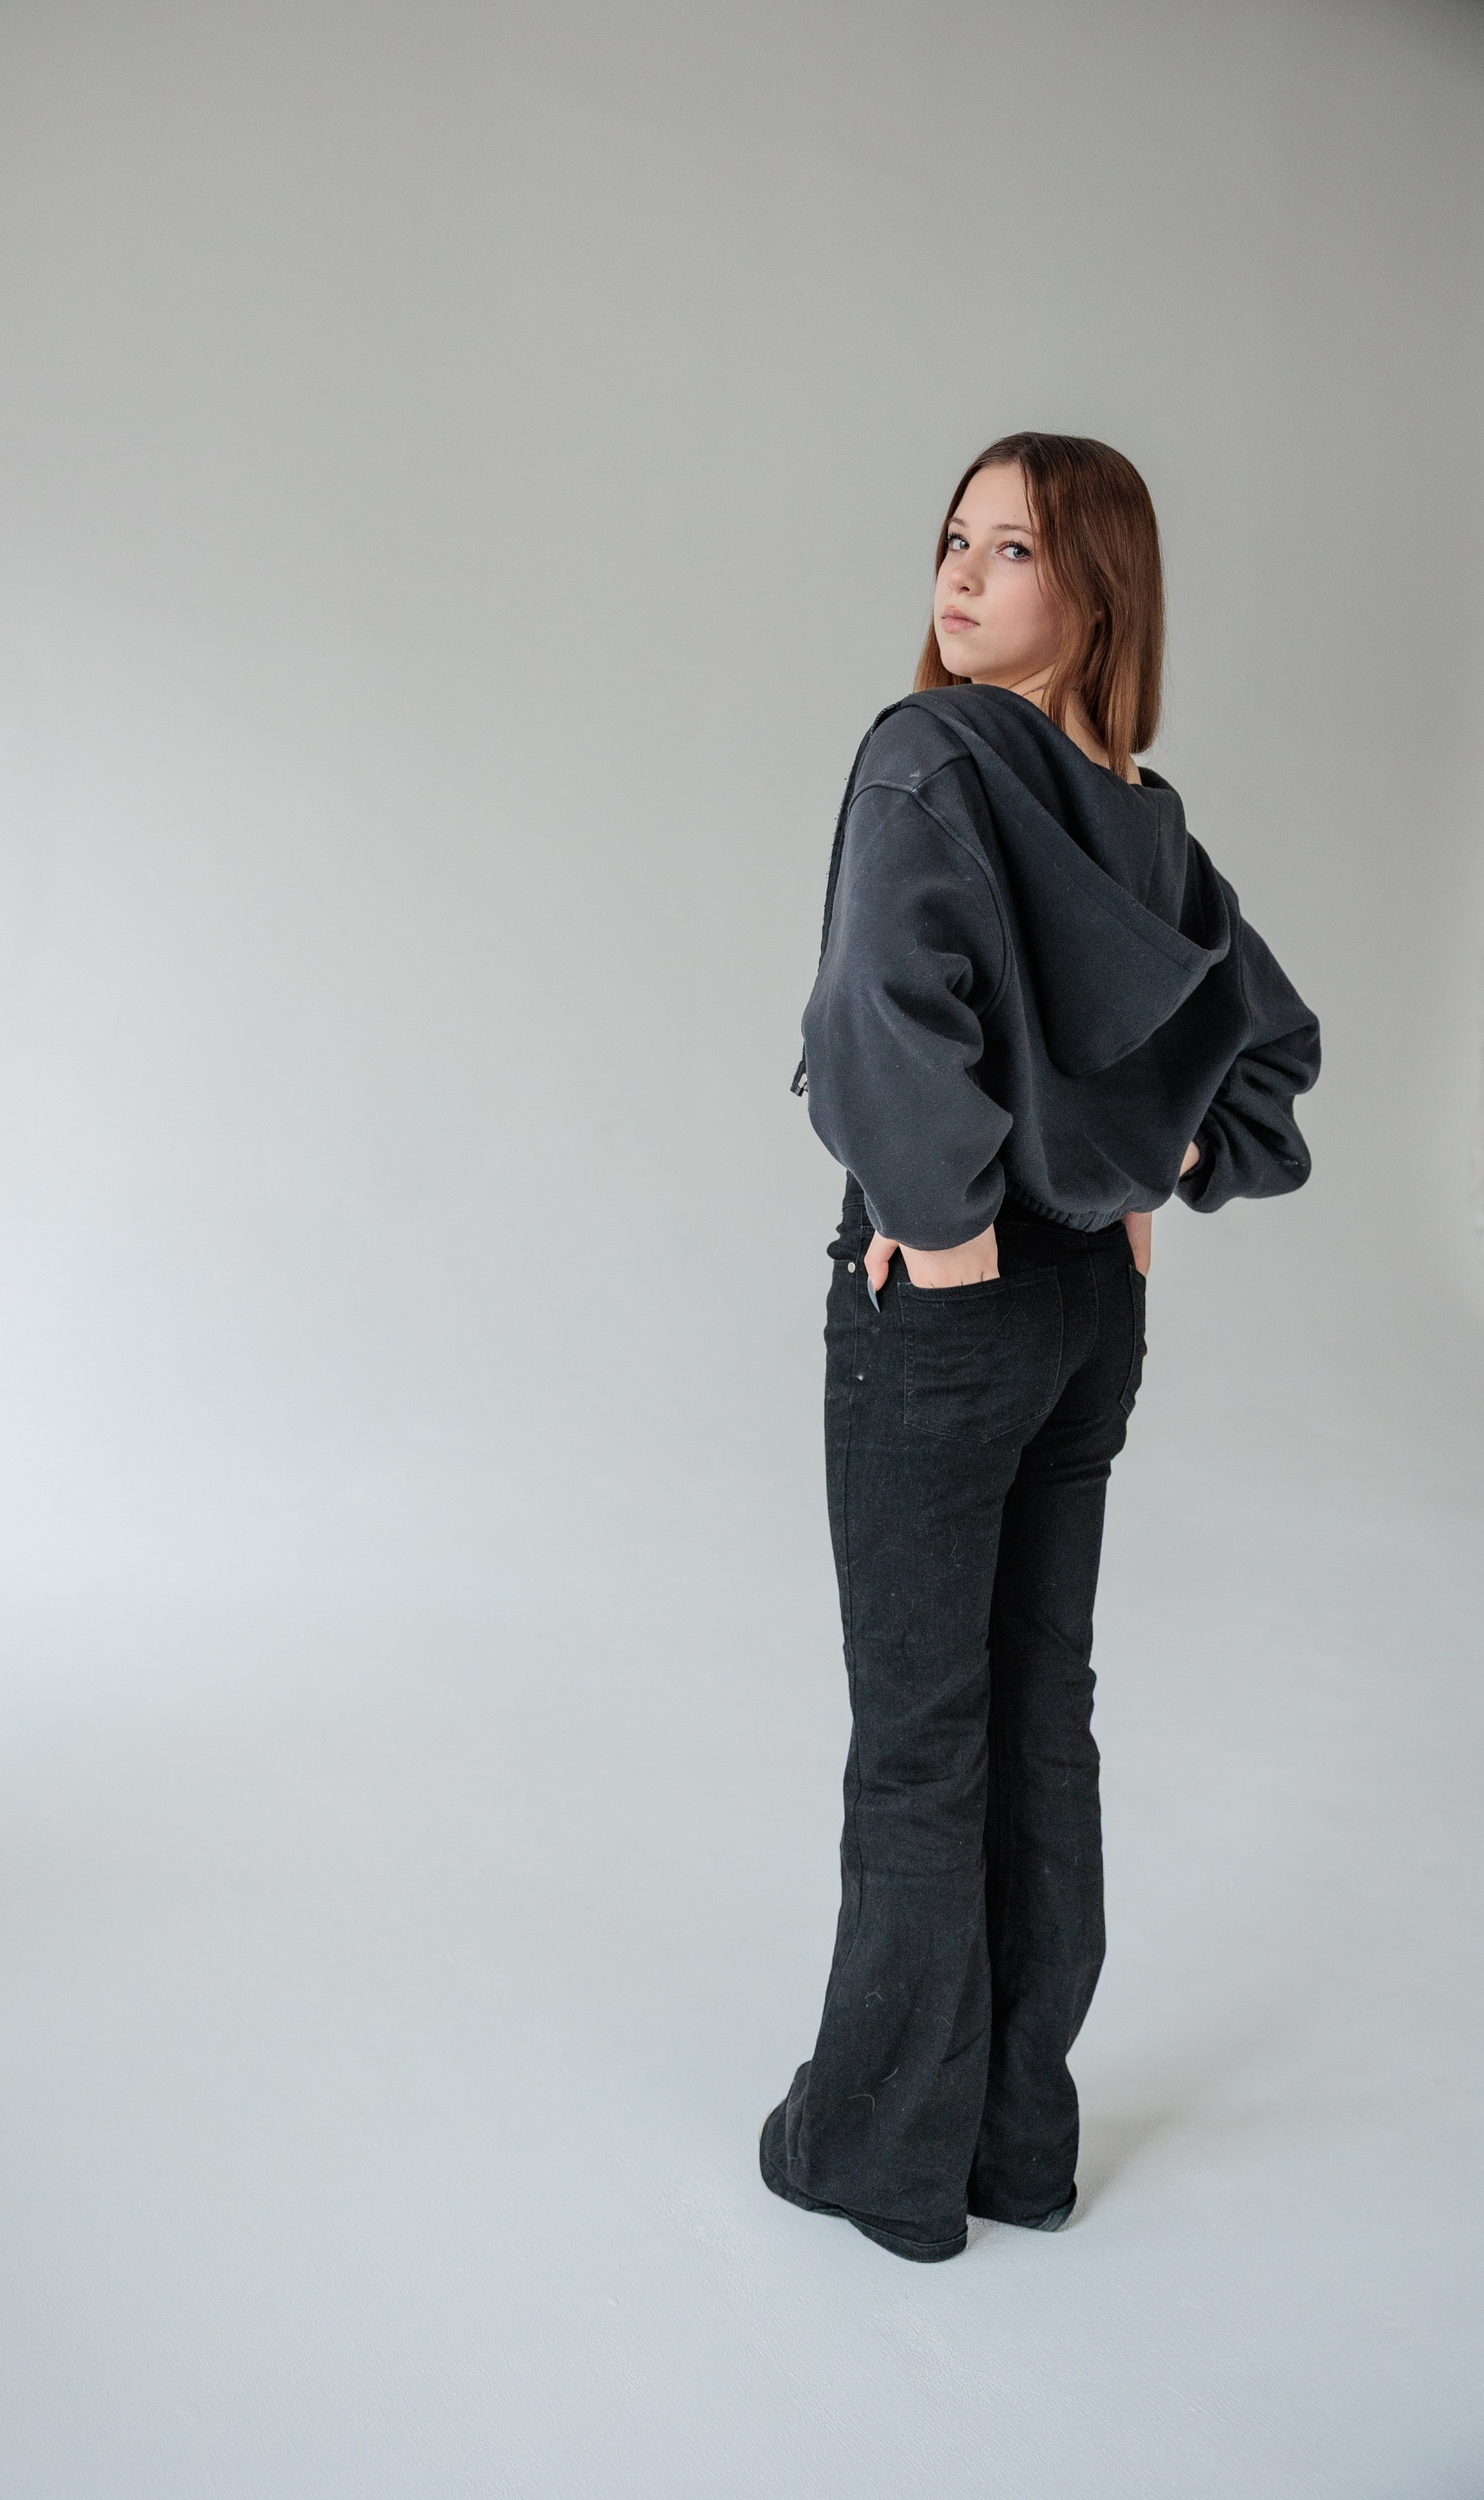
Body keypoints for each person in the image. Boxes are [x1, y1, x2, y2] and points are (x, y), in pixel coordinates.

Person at [759, 431, 1322, 2264]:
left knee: (924, 1739)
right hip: (1091, 1320)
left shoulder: (928, 754)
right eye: (954, 538)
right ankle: (1020, 2146)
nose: (960, 573)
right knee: (1037, 1717)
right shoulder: (1142, 819)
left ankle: (883, 2158)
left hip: (954, 1313)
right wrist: (1153, 1172)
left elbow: (877, 1007)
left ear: (1097, 589)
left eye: (1011, 548)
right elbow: (1260, 1042)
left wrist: (940, 1224)